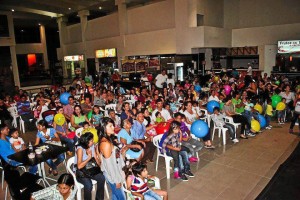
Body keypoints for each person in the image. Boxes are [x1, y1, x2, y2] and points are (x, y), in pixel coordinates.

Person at [99, 117, 126, 200]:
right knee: (122, 197)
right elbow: (109, 165)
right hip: (113, 175)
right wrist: (116, 180)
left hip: (116, 171)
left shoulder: (108, 139)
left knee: (115, 196)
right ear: (104, 127)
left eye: (113, 125)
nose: (113, 128)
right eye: (110, 126)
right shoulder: (105, 143)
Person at [75, 132, 105, 200]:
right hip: (81, 171)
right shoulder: (80, 149)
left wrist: (100, 167)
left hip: (90, 168)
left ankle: (99, 198)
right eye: (91, 140)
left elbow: (95, 158)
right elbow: (79, 166)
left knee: (102, 178)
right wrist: (89, 157)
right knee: (89, 185)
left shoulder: (91, 146)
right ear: (86, 142)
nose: (93, 141)